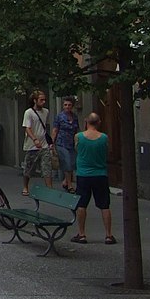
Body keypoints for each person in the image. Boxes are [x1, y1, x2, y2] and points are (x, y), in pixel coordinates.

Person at [71, 112, 114, 244]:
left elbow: (76, 150)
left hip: (83, 174)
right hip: (100, 174)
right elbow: (107, 151)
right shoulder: (104, 138)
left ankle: (82, 234)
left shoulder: (78, 137)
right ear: (99, 122)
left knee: (82, 204)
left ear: (86, 122)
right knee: (104, 205)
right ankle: (108, 235)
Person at [21, 89, 54, 197]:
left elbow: (44, 126)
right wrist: (34, 139)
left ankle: (49, 188)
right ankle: (25, 186)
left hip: (44, 144)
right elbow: (27, 128)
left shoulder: (46, 111)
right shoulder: (29, 112)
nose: (43, 102)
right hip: (32, 145)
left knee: (46, 167)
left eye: (44, 100)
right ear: (35, 100)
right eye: (41, 100)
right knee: (28, 168)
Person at [51, 97, 80, 192]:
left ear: (72, 106)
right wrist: (52, 143)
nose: (67, 107)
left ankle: (65, 181)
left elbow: (76, 130)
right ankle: (70, 185)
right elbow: (55, 130)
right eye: (65, 105)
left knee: (72, 163)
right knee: (67, 163)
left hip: (71, 143)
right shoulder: (59, 116)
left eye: (69, 105)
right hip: (61, 143)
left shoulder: (75, 117)